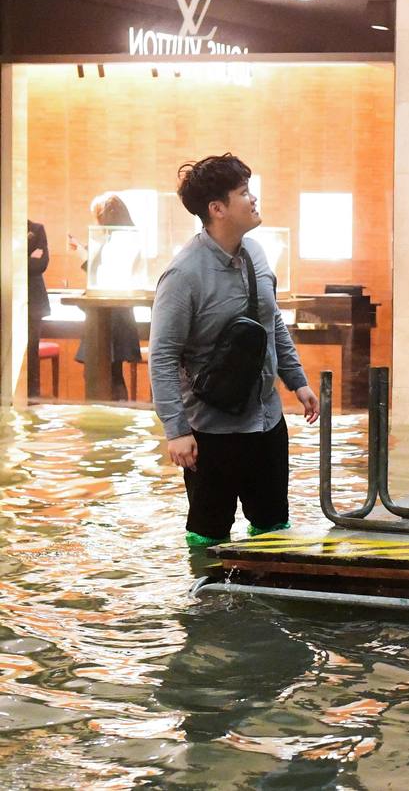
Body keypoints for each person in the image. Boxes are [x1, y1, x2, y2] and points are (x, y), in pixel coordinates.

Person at [150, 154, 319, 550]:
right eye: (244, 193)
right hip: (212, 431)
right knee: (208, 538)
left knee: (274, 529)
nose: (254, 199)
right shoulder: (183, 275)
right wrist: (176, 431)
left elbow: (271, 322)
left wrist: (298, 382)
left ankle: (270, 602)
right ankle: (207, 608)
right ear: (217, 208)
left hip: (267, 422)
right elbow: (162, 355)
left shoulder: (257, 255)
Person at [71, 193, 143, 400]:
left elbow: (108, 275)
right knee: (110, 372)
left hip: (112, 312)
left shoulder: (122, 239)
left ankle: (111, 423)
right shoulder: (119, 237)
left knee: (105, 374)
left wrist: (86, 258)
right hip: (112, 312)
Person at [27, 220, 50, 398]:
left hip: (34, 301)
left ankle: (32, 395)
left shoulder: (36, 229)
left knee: (31, 348)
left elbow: (41, 263)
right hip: (10, 299)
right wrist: (28, 256)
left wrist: (18, 260)